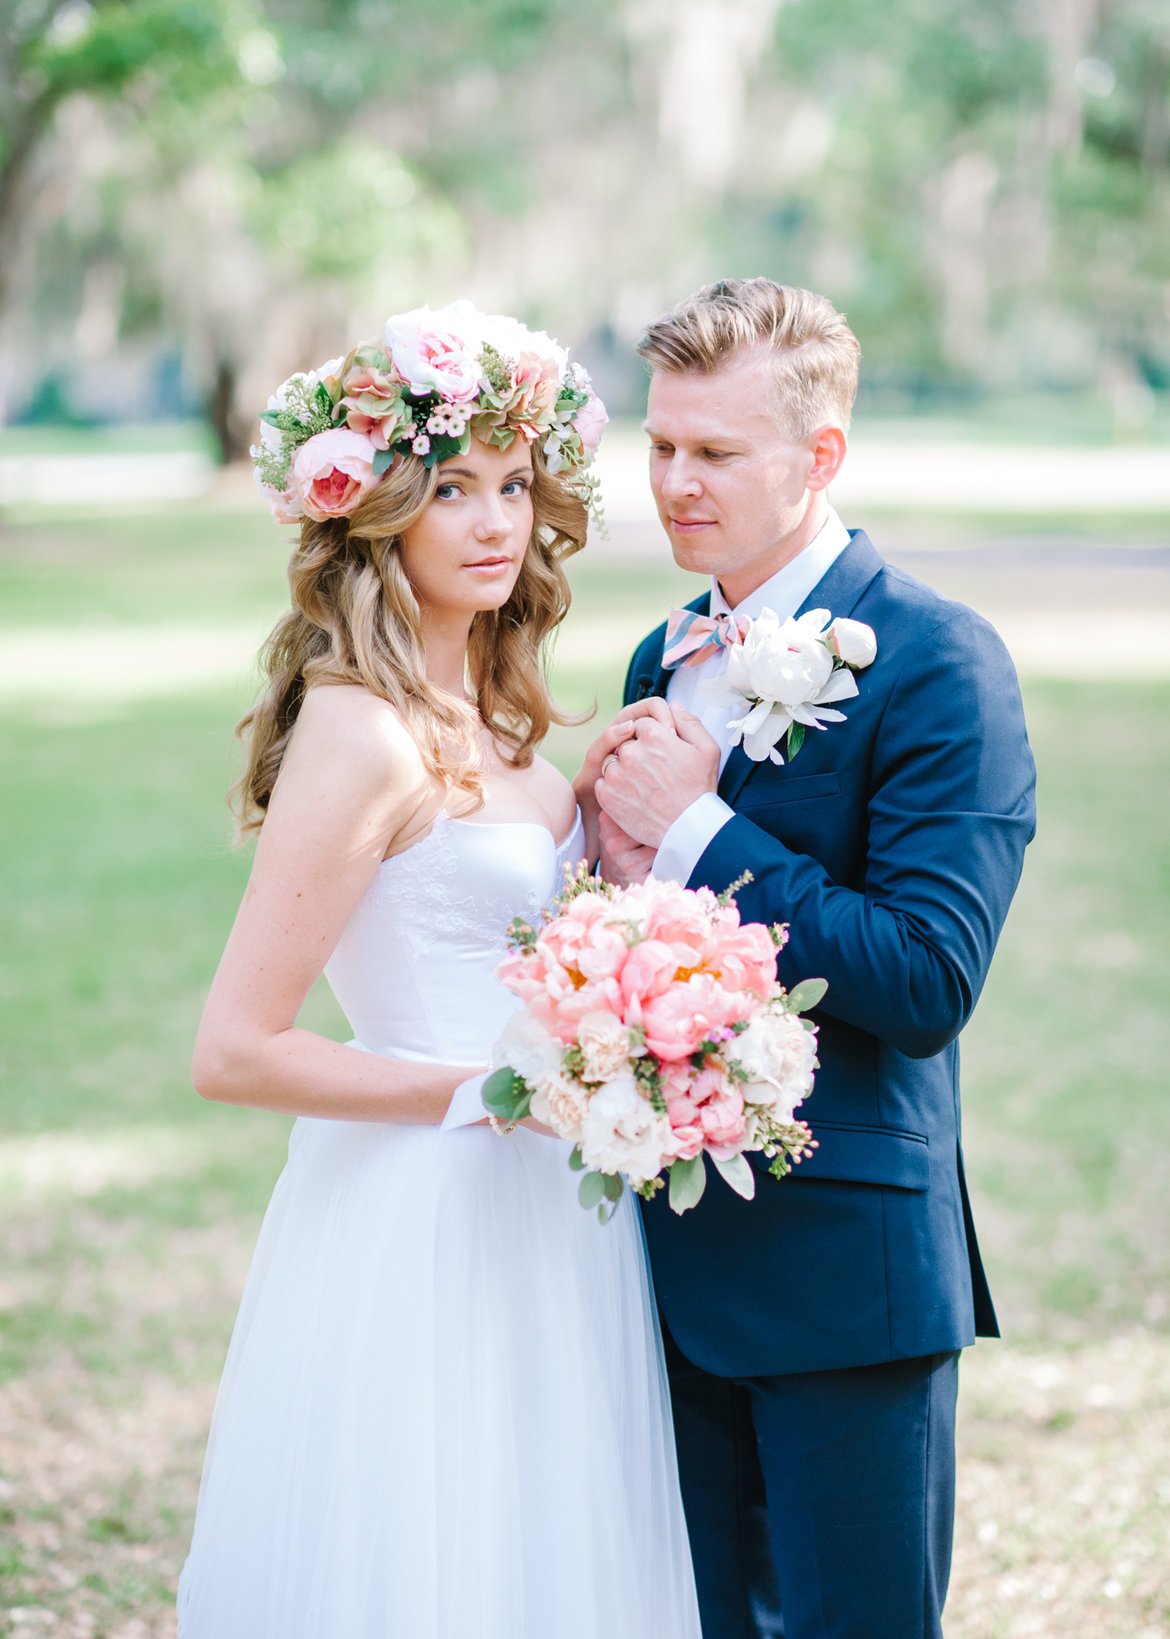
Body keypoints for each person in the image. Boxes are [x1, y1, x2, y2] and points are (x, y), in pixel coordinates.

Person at [177, 300, 701, 1639]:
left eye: (513, 486)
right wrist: (492, 1094)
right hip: (423, 1207)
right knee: (431, 1557)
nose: (492, 521)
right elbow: (235, 1049)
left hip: (553, 1210)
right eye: (451, 489)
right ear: (376, 511)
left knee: (542, 1548)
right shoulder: (360, 736)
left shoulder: (508, 728)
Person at [577, 277, 1037, 1639]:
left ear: (819, 454)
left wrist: (700, 829)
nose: (672, 483)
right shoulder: (656, 659)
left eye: (714, 453)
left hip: (844, 1281)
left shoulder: (937, 660)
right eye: (659, 446)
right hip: (656, 1273)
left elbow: (921, 978)